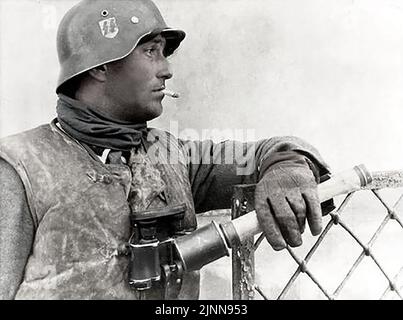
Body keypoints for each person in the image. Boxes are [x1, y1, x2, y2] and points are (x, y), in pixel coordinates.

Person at [0, 0, 332, 300]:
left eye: (164, 53)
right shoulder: (19, 165)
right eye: (151, 51)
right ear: (99, 66)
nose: (167, 70)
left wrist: (288, 164)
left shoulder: (174, 156)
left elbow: (267, 154)